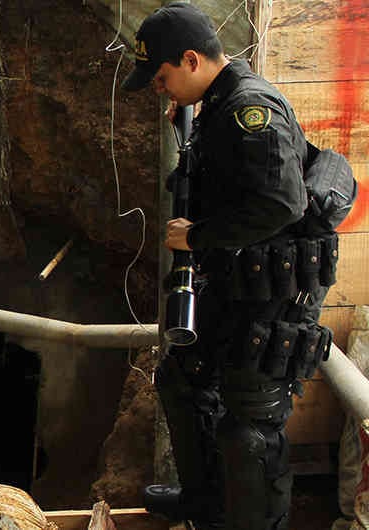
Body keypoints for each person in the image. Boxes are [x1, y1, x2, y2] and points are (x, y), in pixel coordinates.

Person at [121, 3, 336, 529]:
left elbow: (281, 205)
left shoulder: (249, 110)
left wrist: (197, 236)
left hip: (273, 296)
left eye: (163, 76)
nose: (159, 88)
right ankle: (205, 504)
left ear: (191, 60)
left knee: (249, 430)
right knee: (181, 380)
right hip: (235, 284)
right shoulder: (217, 106)